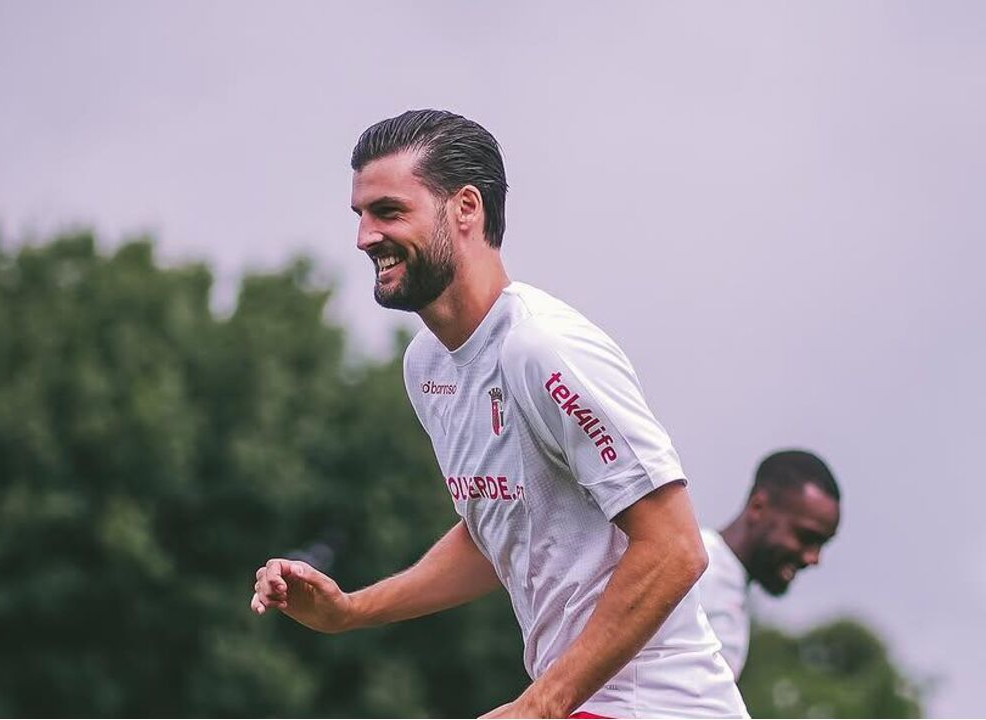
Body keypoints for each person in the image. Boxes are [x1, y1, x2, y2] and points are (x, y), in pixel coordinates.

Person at [249, 109, 746, 719]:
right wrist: (349, 612)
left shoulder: (543, 348)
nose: (364, 237)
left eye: (389, 211)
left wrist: (540, 705)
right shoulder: (427, 366)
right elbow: (497, 536)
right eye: (360, 215)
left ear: (466, 208)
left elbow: (675, 548)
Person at [699, 450, 842, 678]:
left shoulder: (731, 585)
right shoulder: (695, 569)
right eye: (806, 537)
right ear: (758, 507)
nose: (813, 558)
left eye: (822, 544)